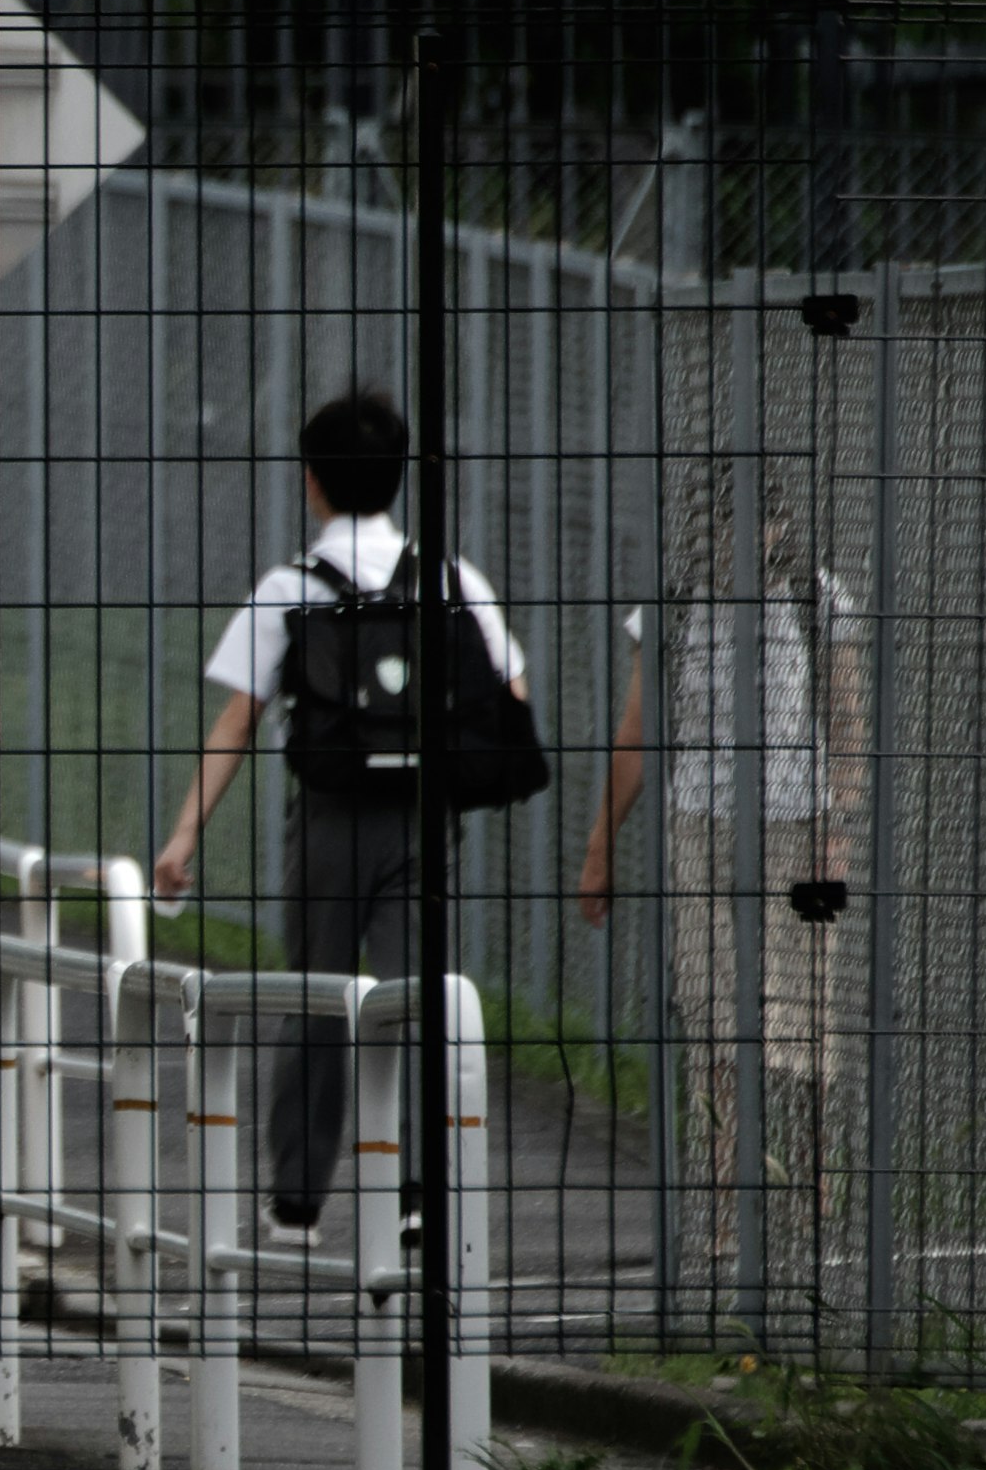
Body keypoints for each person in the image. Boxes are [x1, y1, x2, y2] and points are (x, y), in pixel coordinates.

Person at [152, 389, 528, 1236]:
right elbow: (510, 690)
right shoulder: (449, 577)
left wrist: (183, 836)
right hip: (423, 818)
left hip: (325, 819)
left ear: (312, 480)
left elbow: (240, 718)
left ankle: (298, 1197)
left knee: (315, 995)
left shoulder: (291, 586)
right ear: (399, 477)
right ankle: (422, 1197)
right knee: (420, 997)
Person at [577, 523, 861, 1282]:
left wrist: (839, 827)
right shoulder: (671, 607)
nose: (738, 534)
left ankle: (811, 1182)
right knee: (712, 1009)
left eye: (756, 517)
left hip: (802, 829)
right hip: (700, 826)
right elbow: (637, 732)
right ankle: (729, 1193)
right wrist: (601, 845)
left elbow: (846, 720)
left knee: (807, 1003)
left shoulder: (815, 597)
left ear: (779, 525)